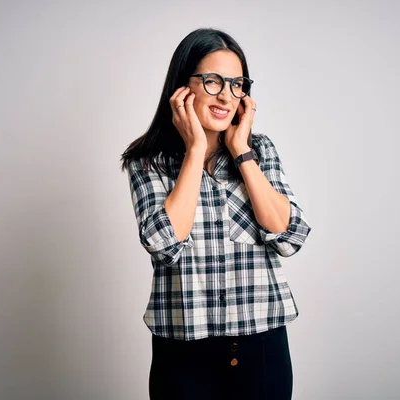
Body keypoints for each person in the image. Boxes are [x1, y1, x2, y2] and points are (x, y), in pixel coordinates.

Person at [120, 28, 312, 400]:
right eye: (213, 81)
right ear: (182, 87)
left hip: (263, 349)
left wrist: (242, 153)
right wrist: (194, 152)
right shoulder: (148, 162)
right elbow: (163, 243)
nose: (226, 94)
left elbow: (291, 236)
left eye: (237, 84)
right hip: (183, 356)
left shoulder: (261, 150)